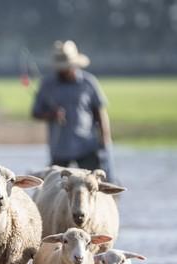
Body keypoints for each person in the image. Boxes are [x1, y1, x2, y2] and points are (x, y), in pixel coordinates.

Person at [32, 40, 116, 181]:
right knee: (56, 188)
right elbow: (36, 112)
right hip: (59, 148)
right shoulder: (47, 84)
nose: (63, 70)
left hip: (87, 146)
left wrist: (105, 139)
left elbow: (99, 113)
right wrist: (52, 115)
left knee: (94, 186)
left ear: (74, 64)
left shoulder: (88, 82)